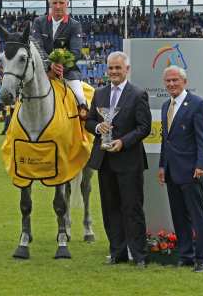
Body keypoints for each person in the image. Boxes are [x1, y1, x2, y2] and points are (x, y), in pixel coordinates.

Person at [85, 51, 152, 268]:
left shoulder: (138, 94)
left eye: (118, 68)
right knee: (110, 207)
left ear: (127, 70)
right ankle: (117, 252)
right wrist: (97, 127)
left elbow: (144, 128)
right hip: (105, 160)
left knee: (132, 208)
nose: (114, 72)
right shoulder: (99, 93)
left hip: (129, 160)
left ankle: (139, 255)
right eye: (111, 68)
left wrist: (123, 142)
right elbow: (89, 121)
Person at [158, 65, 203, 273]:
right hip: (172, 171)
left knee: (197, 216)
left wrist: (201, 166)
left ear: (184, 82)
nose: (171, 84)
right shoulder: (165, 106)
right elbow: (166, 141)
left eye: (175, 80)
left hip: (192, 171)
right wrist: (162, 165)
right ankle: (186, 256)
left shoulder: (197, 104)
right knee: (179, 216)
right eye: (168, 81)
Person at [31, 0, 87, 118]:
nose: (58, 6)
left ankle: (84, 128)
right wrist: (49, 65)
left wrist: (61, 67)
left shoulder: (75, 25)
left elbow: (76, 52)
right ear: (49, 3)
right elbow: (36, 47)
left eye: (61, 3)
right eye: (55, 3)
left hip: (68, 72)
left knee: (80, 96)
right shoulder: (39, 22)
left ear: (67, 4)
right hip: (42, 71)